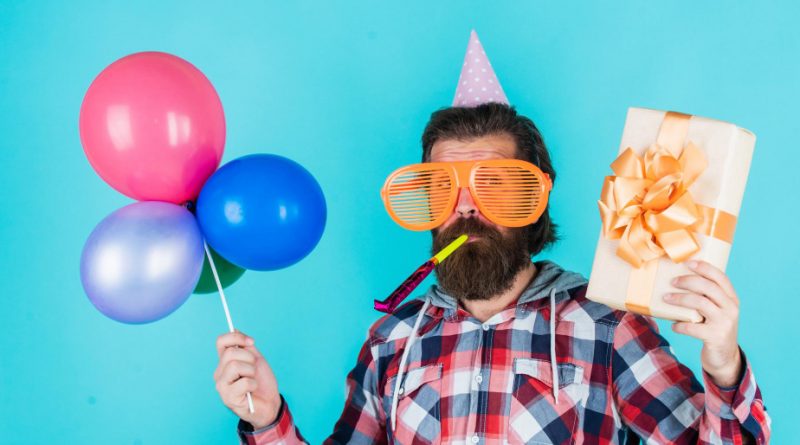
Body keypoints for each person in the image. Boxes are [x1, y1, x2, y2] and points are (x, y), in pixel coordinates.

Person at [213, 32, 771, 445]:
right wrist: (267, 420)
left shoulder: (608, 326)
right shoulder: (389, 343)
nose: (466, 208)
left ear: (535, 204)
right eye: (442, 188)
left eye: (497, 187)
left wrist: (724, 366)